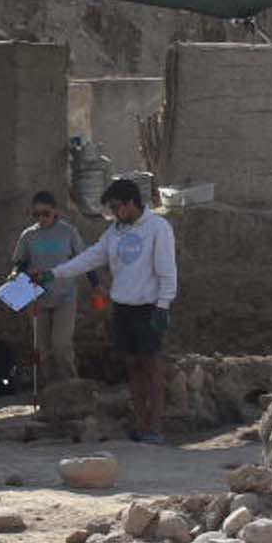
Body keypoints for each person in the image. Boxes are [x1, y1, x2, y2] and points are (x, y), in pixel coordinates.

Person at [50, 177, 178, 444]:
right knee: (133, 366)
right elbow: (91, 257)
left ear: (132, 203)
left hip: (149, 308)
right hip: (123, 307)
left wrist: (163, 306)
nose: (115, 213)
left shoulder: (158, 228)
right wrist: (55, 273)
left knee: (152, 366)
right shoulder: (115, 232)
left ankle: (155, 427)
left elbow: (167, 270)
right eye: (112, 209)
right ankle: (141, 424)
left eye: (118, 207)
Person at [8, 190, 85, 386]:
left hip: (65, 294)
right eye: (36, 214)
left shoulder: (68, 232)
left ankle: (72, 387)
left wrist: (96, 285)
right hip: (36, 295)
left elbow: (84, 260)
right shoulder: (28, 235)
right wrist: (15, 274)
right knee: (42, 348)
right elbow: (21, 262)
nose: (41, 218)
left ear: (55, 212)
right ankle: (50, 391)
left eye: (46, 213)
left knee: (61, 345)